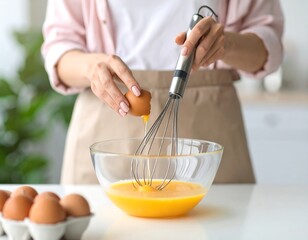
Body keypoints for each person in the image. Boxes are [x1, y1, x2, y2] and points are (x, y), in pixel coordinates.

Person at [42, 0, 284, 184]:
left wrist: (225, 44)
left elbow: (268, 46)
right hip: (106, 125)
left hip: (208, 129)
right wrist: (91, 67)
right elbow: (58, 48)